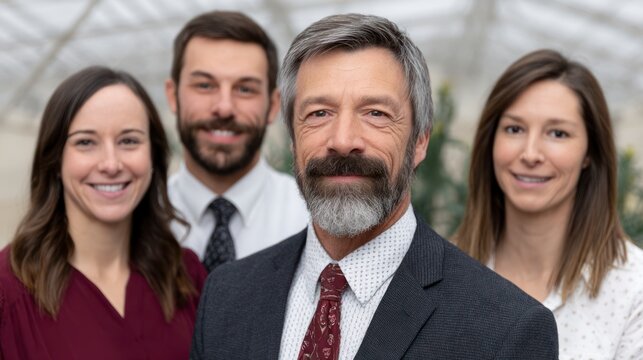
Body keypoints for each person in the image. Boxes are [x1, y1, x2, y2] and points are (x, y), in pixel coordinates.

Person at [191, 14, 558, 359]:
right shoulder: (226, 297)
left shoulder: (505, 330)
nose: (343, 139)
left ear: (419, 142)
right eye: (319, 113)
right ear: (292, 139)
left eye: (375, 113)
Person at [0, 66, 206, 359]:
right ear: (55, 159)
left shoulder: (188, 276)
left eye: (129, 141)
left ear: (153, 156)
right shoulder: (7, 291)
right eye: (86, 142)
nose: (111, 164)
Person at [453, 49, 643, 359]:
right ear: (490, 142)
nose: (530, 153)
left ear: (590, 153)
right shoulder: (443, 273)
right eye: (514, 129)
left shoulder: (633, 290)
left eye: (557, 133)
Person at [165, 10, 308, 272]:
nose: (224, 108)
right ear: (173, 96)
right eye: (205, 85)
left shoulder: (311, 220)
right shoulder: (137, 219)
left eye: (245, 89)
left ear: (273, 105)